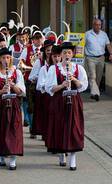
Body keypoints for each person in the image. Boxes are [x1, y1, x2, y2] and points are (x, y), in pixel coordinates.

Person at [45, 41, 88, 171]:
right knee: (60, 127)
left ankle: (73, 158)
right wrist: (62, 85)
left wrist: (74, 79)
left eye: (69, 52)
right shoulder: (54, 68)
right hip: (59, 102)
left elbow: (84, 86)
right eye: (64, 53)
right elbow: (49, 88)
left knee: (74, 128)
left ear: (73, 54)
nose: (67, 55)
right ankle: (62, 155)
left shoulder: (78, 68)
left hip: (74, 101)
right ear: (61, 55)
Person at [29, 39, 54, 138]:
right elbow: (31, 77)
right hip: (42, 93)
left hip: (53, 91)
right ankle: (44, 133)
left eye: (51, 50)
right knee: (43, 114)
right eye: (48, 50)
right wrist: (40, 76)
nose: (50, 52)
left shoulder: (56, 61)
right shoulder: (39, 62)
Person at [18, 32, 43, 132]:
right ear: (33, 40)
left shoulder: (44, 50)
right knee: (30, 104)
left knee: (40, 104)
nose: (38, 40)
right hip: (30, 80)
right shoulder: (26, 49)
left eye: (39, 38)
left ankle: (40, 127)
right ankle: (32, 127)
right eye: (35, 38)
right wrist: (31, 68)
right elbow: (21, 63)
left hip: (41, 80)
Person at [84, 18, 112, 102]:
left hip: (101, 58)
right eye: (96, 25)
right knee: (92, 76)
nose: (98, 26)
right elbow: (82, 45)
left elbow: (108, 45)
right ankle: (96, 93)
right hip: (90, 58)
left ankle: (93, 92)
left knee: (99, 77)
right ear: (93, 25)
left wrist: (111, 54)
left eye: (99, 25)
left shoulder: (104, 34)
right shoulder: (87, 34)